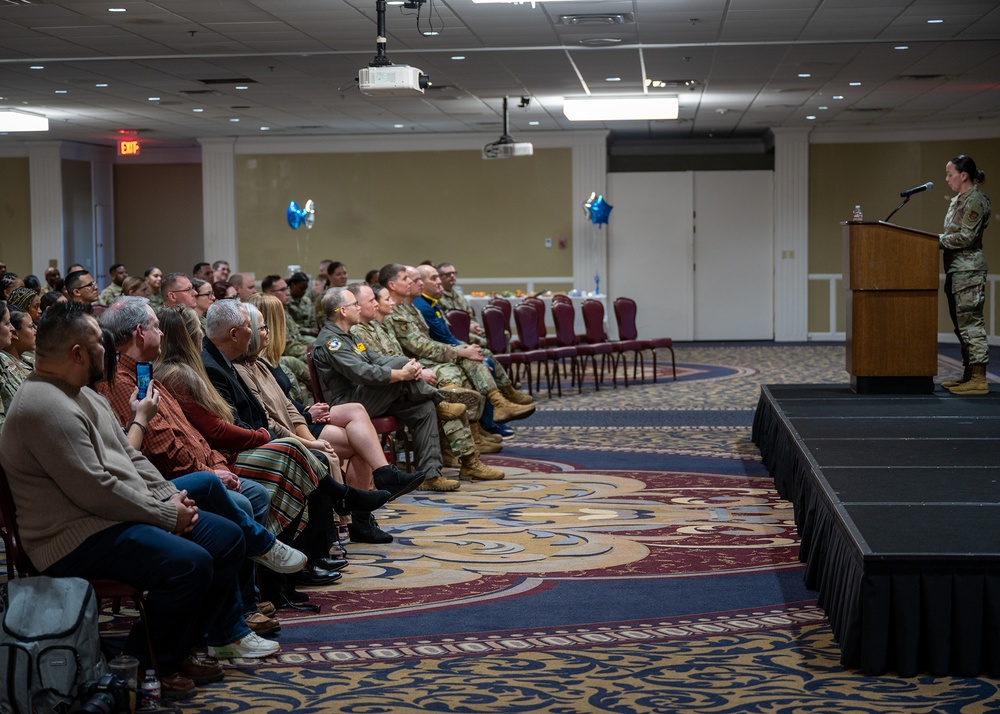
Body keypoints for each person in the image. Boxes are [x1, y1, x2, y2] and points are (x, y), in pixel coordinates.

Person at [0, 303, 271, 698]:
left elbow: (130, 458)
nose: (108, 351)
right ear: (79, 353)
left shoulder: (82, 395)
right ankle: (149, 660)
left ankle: (180, 647)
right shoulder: (43, 406)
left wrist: (169, 496)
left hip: (107, 517)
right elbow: (96, 488)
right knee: (189, 563)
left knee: (228, 539)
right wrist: (166, 515)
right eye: (99, 345)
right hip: (71, 538)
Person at [242, 296, 419, 540]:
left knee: (357, 412)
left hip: (299, 416)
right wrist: (306, 416)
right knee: (360, 440)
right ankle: (365, 513)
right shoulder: (255, 362)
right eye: (265, 326)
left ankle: (382, 479)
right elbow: (271, 412)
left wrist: (306, 410)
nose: (270, 330)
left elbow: (284, 402)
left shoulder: (266, 360)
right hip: (291, 426)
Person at [313, 287, 463, 493]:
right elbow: (361, 373)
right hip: (348, 404)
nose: (358, 307)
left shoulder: (350, 336)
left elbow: (377, 360)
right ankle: (440, 401)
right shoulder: (332, 341)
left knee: (423, 408)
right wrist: (403, 374)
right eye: (355, 304)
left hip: (369, 396)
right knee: (402, 377)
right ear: (343, 311)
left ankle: (430, 475)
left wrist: (408, 364)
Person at [349, 283, 504, 482]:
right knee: (441, 400)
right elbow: (376, 368)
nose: (386, 303)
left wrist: (416, 369)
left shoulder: (378, 327)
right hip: (383, 391)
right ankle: (464, 452)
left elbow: (398, 357)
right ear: (359, 305)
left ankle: (458, 465)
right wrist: (417, 372)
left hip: (401, 384)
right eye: (377, 300)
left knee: (436, 403)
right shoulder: (358, 333)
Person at [381, 263, 534, 423]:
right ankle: (493, 410)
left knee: (472, 360)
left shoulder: (409, 308)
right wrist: (460, 351)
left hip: (423, 358)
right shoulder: (398, 311)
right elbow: (420, 346)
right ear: (392, 285)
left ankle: (488, 417)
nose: (412, 283)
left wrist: (463, 350)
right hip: (415, 363)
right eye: (407, 279)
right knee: (465, 364)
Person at [940, 155, 992, 395]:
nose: (947, 178)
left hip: (968, 270)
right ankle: (969, 374)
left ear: (964, 175)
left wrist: (936, 241)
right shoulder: (958, 200)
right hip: (956, 269)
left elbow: (966, 237)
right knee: (961, 325)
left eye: (950, 174)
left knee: (971, 324)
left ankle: (979, 378)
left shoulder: (975, 201)